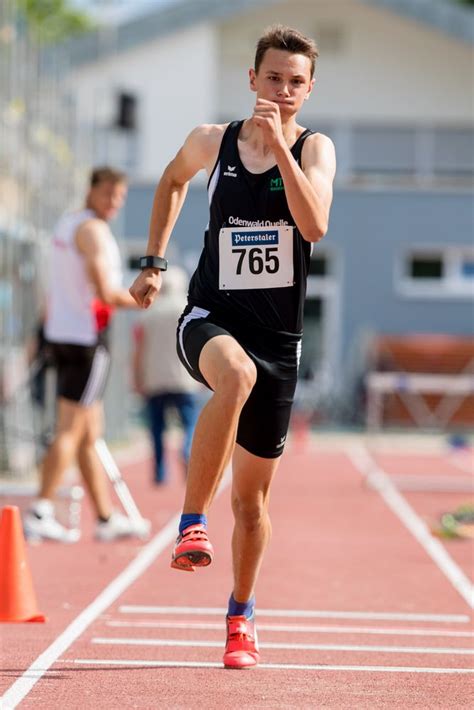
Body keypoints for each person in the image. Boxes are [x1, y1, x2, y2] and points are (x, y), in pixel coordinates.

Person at [130, 25, 336, 668]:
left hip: (279, 339)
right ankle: (192, 521)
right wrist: (154, 261)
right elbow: (170, 180)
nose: (282, 90)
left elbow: (315, 225)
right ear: (251, 79)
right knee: (234, 375)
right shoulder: (210, 142)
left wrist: (281, 150)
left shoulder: (313, 149)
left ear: (308, 90)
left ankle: (241, 617)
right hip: (209, 317)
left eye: (295, 82)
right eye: (272, 77)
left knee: (251, 504)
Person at [24, 166, 143, 543]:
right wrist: (142, 296)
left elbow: (56, 288)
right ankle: (41, 509)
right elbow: (106, 293)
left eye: (120, 197)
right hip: (86, 339)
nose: (114, 203)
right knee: (71, 430)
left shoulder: (66, 224)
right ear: (92, 191)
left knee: (90, 433)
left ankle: (106, 519)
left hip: (62, 334)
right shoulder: (92, 231)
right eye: (109, 194)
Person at [132, 266, 200, 484]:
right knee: (189, 424)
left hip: (155, 378)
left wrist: (137, 377)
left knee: (157, 429)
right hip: (184, 378)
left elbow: (139, 348)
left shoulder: (149, 313)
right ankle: (188, 450)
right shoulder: (188, 309)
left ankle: (160, 473)